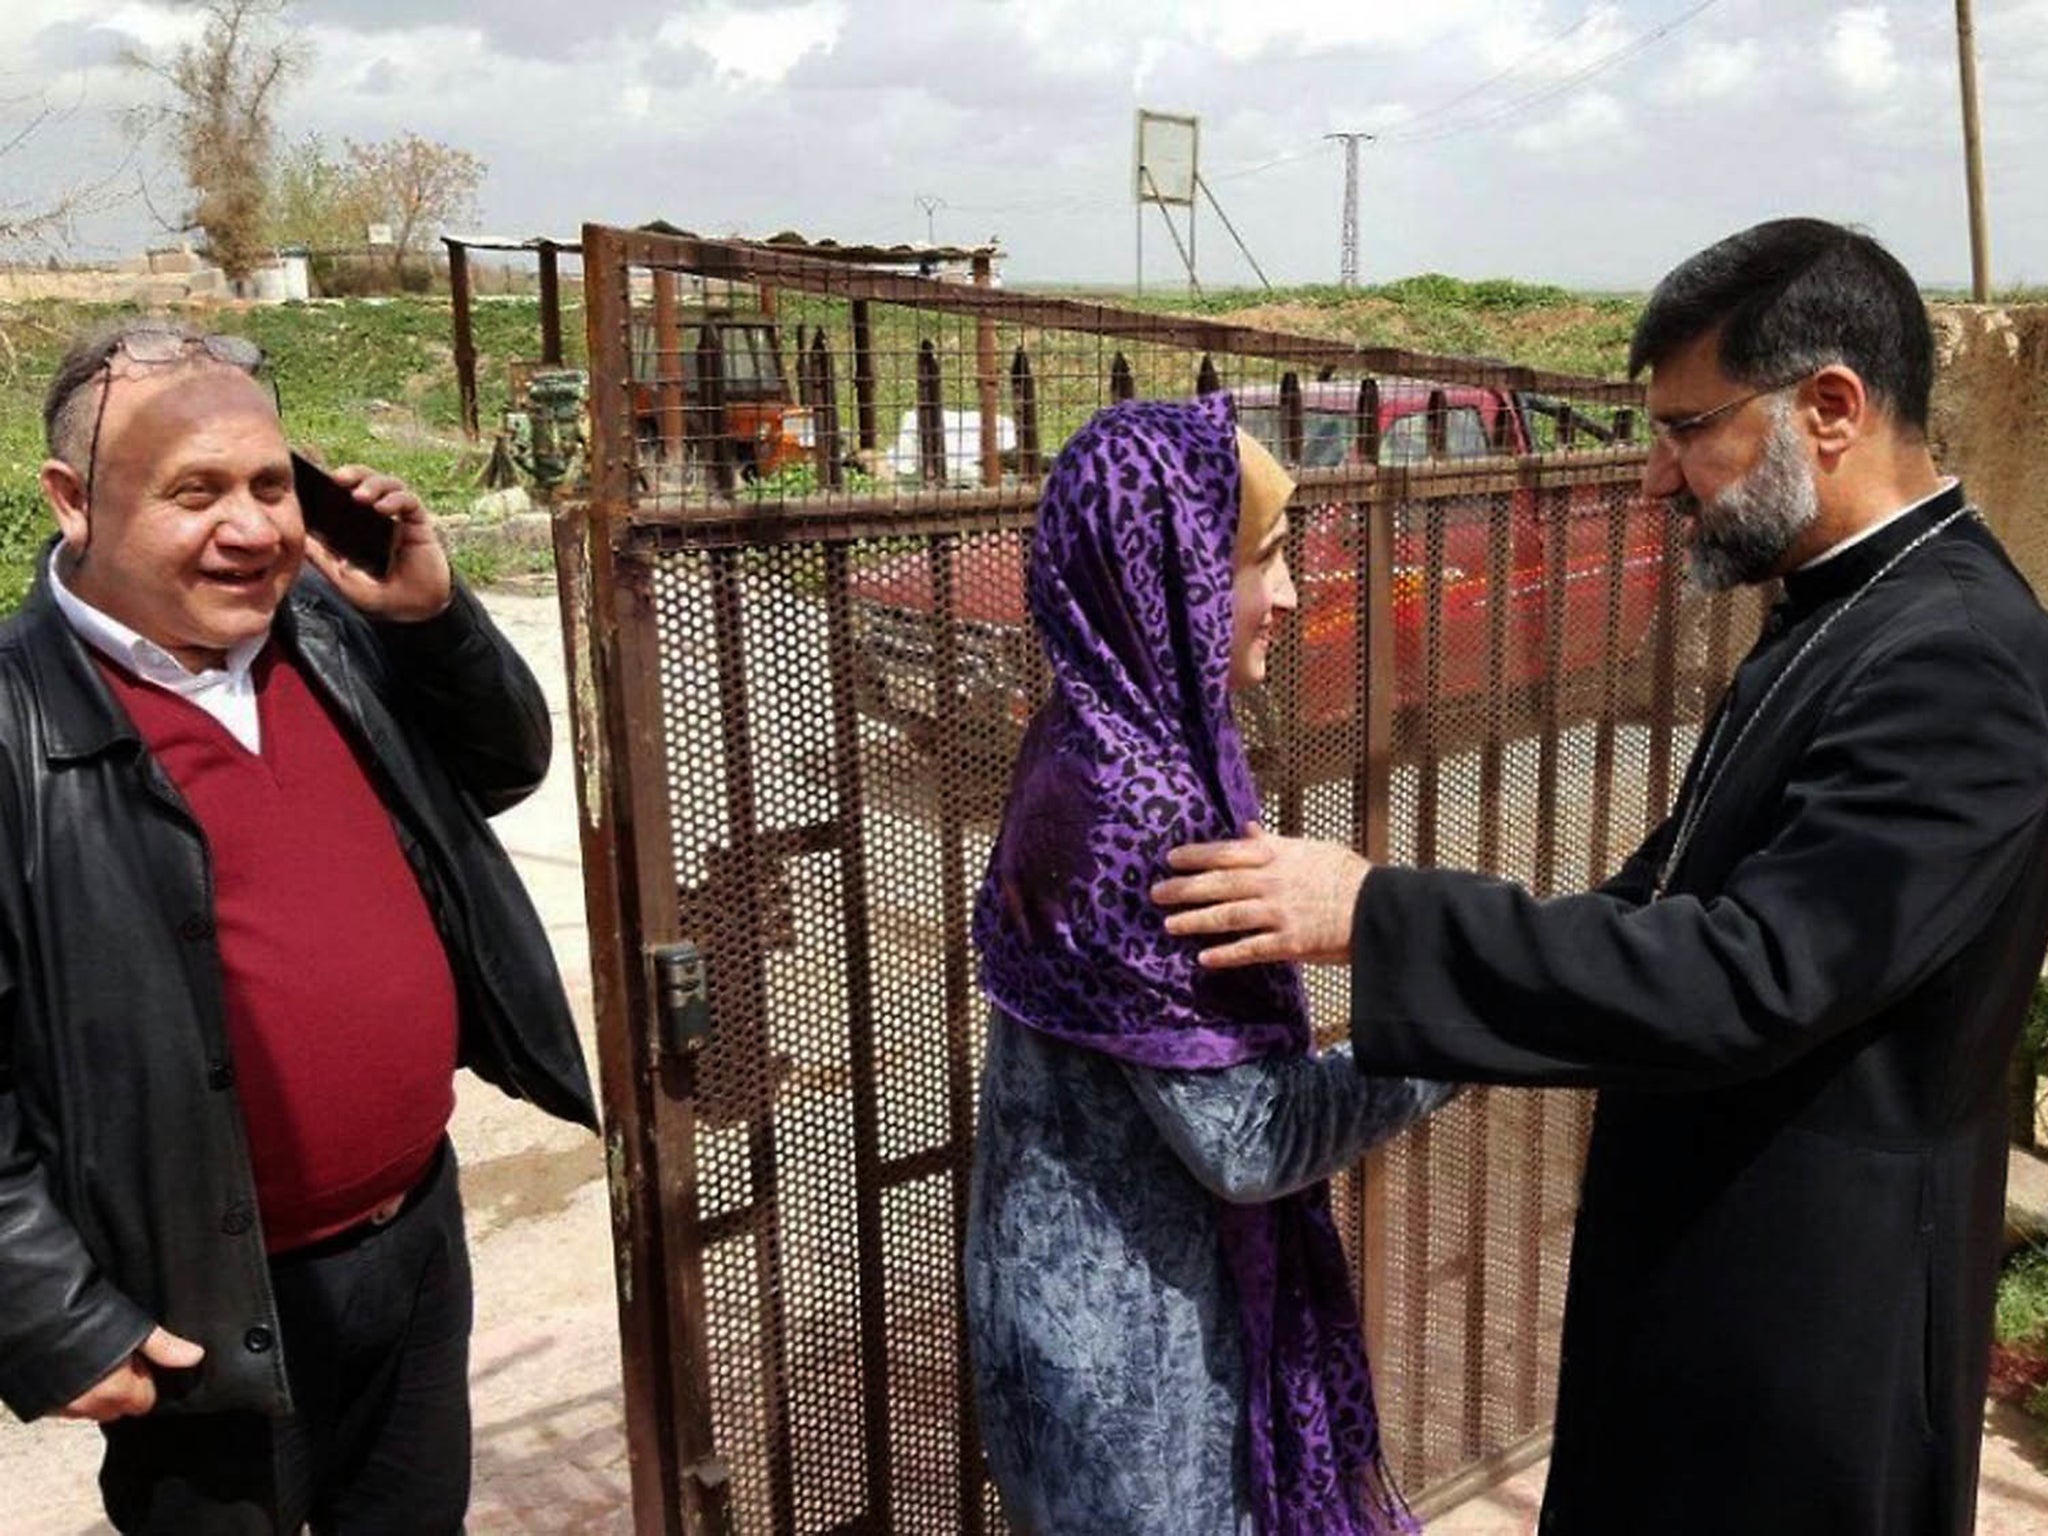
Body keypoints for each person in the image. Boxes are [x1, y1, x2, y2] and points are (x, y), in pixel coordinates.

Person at [1152, 217, 2048, 1534]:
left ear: (1833, 407)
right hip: (1722, 1274)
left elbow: (1750, 971)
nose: (1657, 479)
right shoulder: (1848, 610)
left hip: (1813, 1322)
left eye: (1690, 430)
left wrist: (1375, 916)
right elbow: (1664, 898)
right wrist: (1413, 945)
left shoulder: (1953, 655)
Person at [0, 318, 597, 1533]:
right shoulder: (18, 718)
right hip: (198, 1303)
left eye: (272, 484)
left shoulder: (327, 632)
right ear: (73, 501)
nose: (253, 527)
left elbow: (502, 762)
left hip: (416, 1237)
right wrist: (50, 1318)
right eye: (195, 490)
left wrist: (430, 617)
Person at [966, 394, 1452, 1536]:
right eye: (1262, 559)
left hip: (1060, 1314)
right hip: (1139, 1370)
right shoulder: (1137, 802)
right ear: (1165, 571)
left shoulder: (1092, 728)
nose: (1288, 596)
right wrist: (1452, 1025)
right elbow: (1249, 1142)